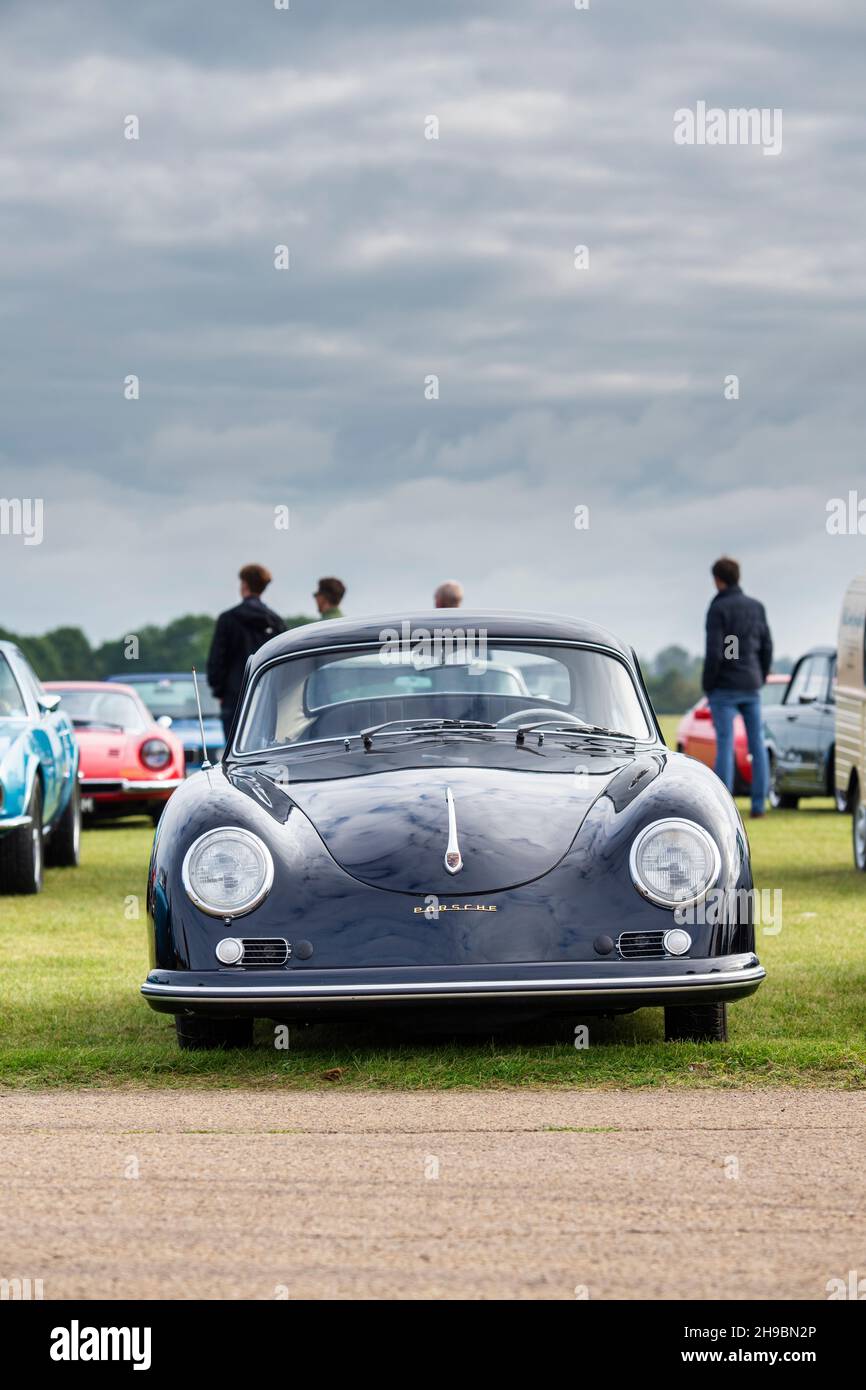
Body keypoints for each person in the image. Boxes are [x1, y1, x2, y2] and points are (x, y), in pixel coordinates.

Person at [702, 556, 773, 819]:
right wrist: (761, 674)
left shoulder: (718, 609)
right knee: (757, 743)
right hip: (751, 683)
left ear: (718, 580)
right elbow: (767, 645)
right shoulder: (757, 607)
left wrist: (708, 684)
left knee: (725, 744)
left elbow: (716, 652)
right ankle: (758, 805)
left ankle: (724, 807)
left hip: (725, 687)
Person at [207, 564, 286, 739]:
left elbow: (217, 660)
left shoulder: (227, 619)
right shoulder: (276, 622)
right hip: (266, 695)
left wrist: (219, 691)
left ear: (244, 585)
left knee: (233, 750)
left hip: (234, 696)